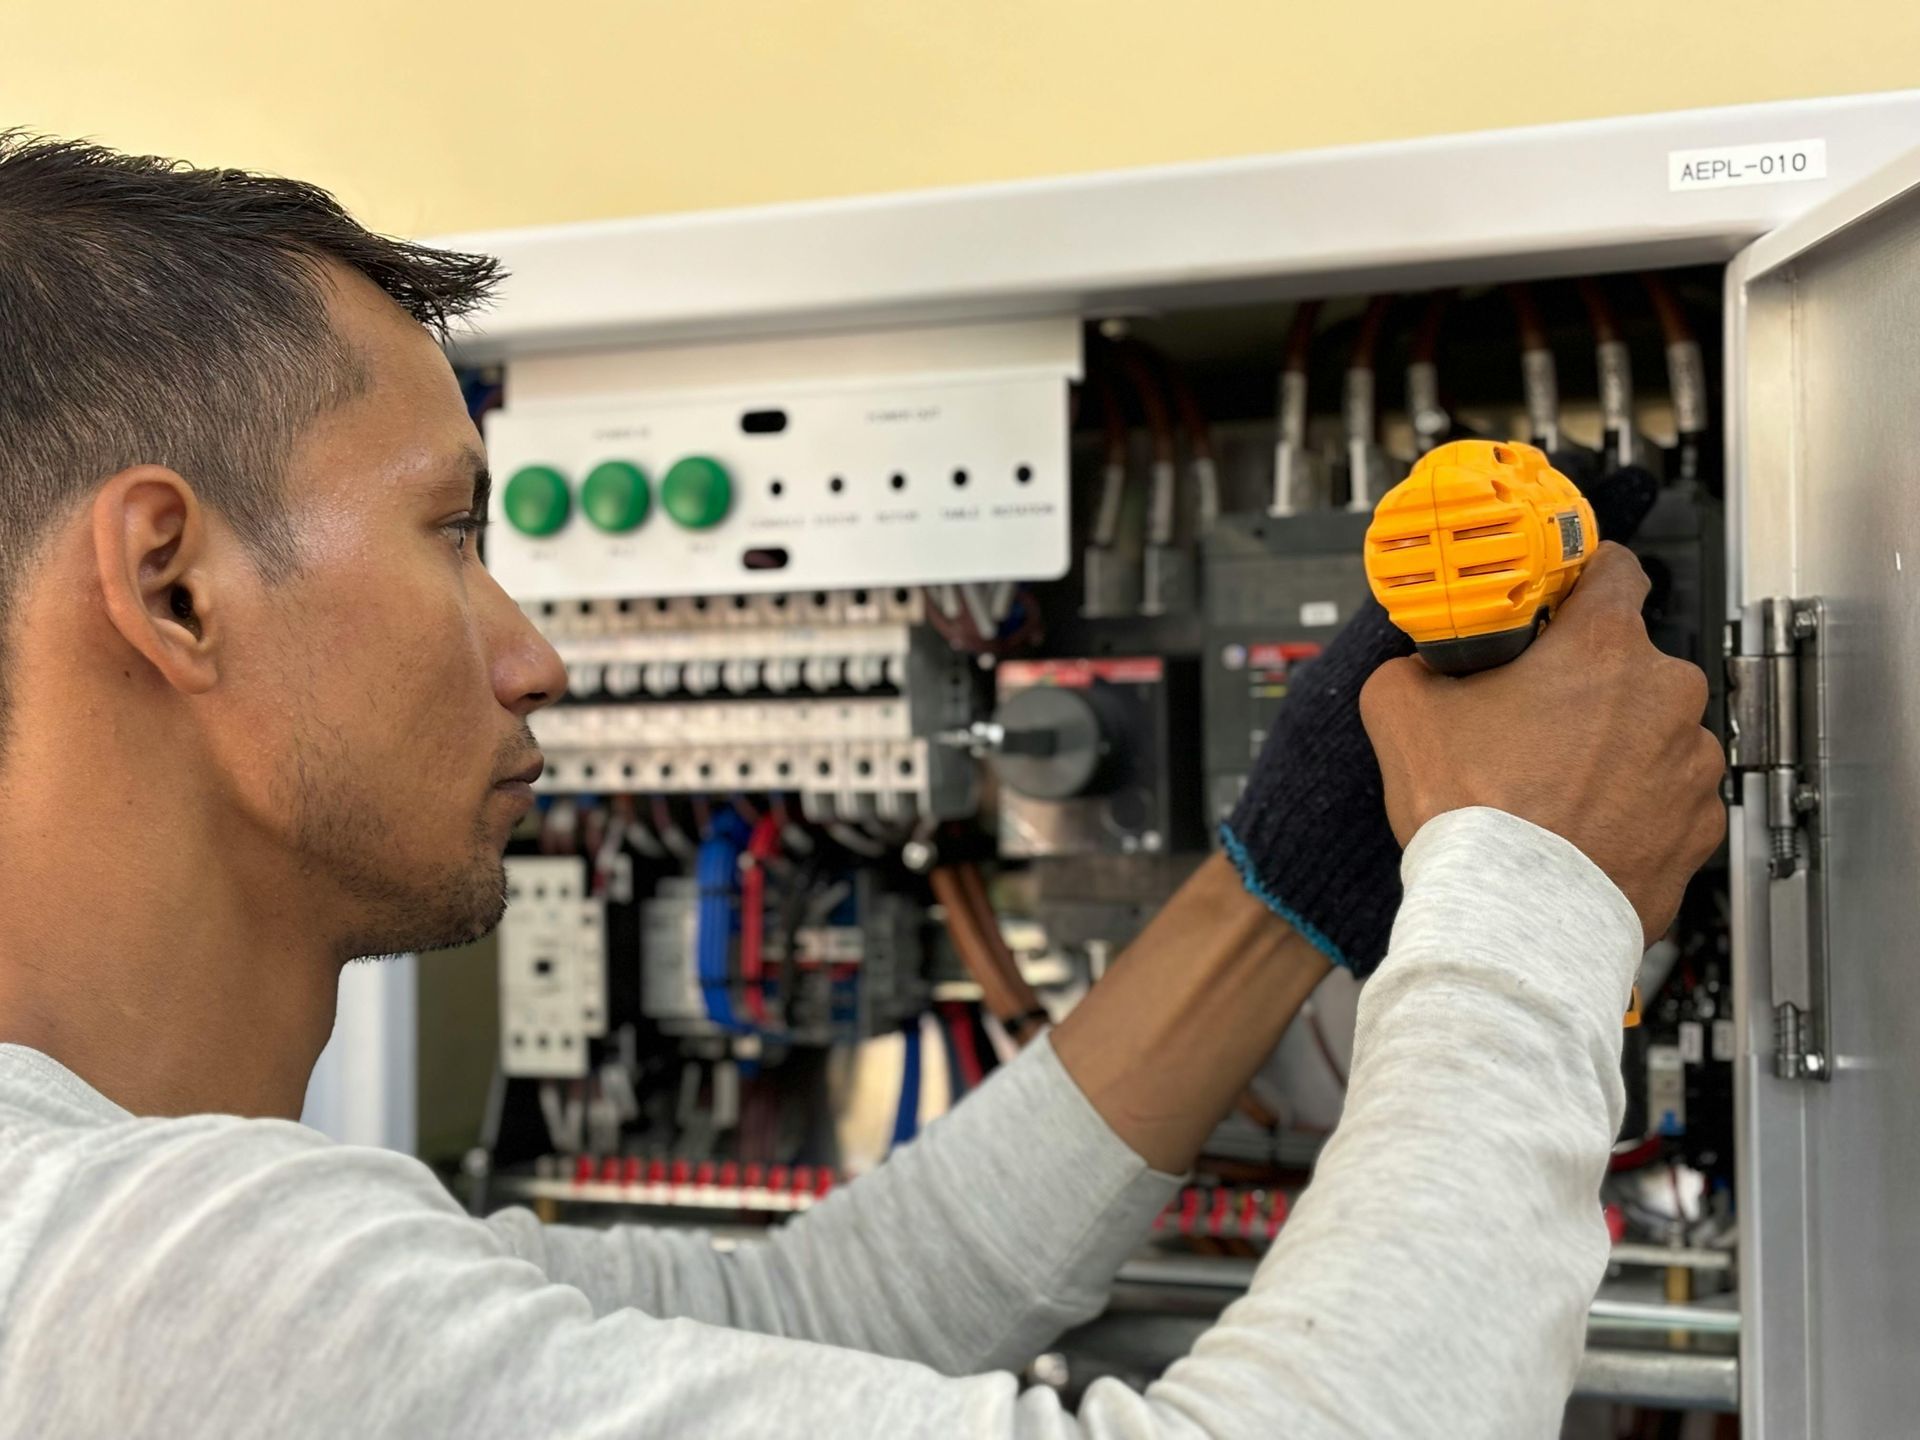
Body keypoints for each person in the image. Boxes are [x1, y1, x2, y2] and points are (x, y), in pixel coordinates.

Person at [0, 135, 1725, 1438]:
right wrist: (1528, 890)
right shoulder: (142, 1287)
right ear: (172, 584)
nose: (534, 655)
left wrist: (1280, 879)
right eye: (454, 531)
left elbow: (825, 1307)